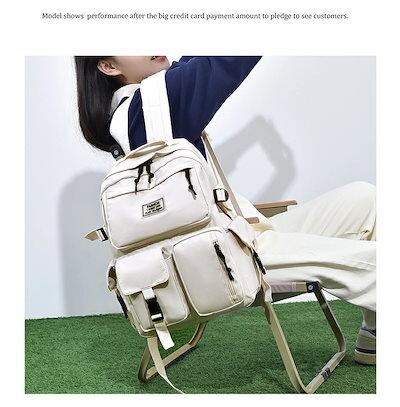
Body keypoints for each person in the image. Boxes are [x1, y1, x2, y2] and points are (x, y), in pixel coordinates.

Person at [74, 56, 376, 366]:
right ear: (109, 67)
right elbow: (224, 58)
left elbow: (194, 62)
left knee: (365, 200)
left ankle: (374, 335)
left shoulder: (137, 112)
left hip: (239, 237)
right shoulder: (153, 103)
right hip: (235, 259)